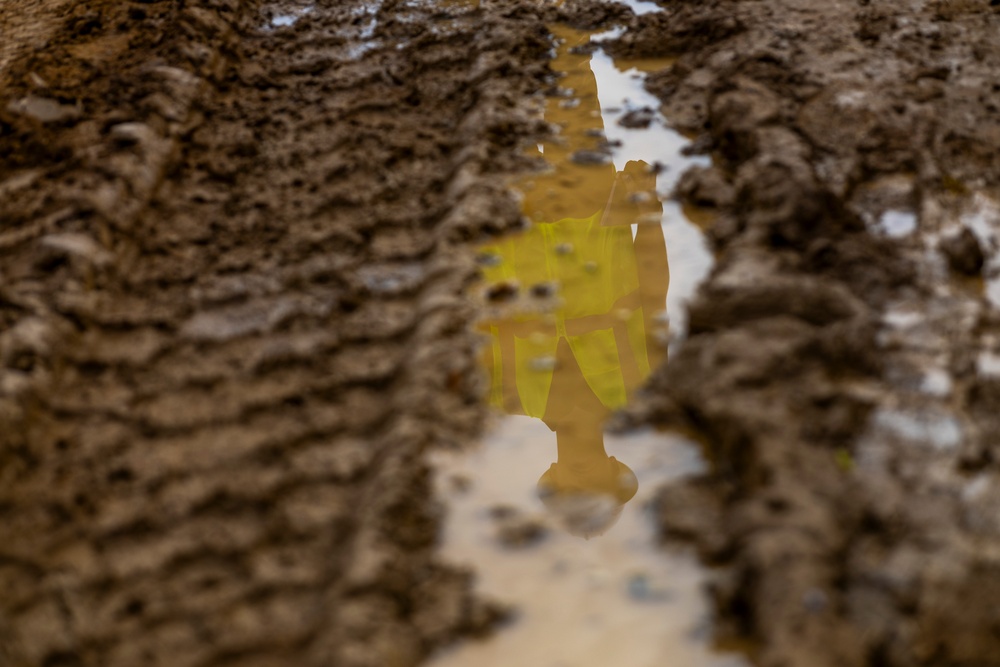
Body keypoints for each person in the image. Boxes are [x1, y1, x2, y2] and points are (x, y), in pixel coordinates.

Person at [477, 26, 670, 538]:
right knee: (573, 95)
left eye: (572, 485)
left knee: (501, 92)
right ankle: (561, 18)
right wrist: (647, 217)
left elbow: (476, 315)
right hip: (593, 214)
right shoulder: (636, 385)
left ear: (555, 475)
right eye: (595, 484)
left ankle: (499, 21)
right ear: (611, 469)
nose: (582, 476)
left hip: (513, 219)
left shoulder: (510, 395)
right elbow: (653, 297)